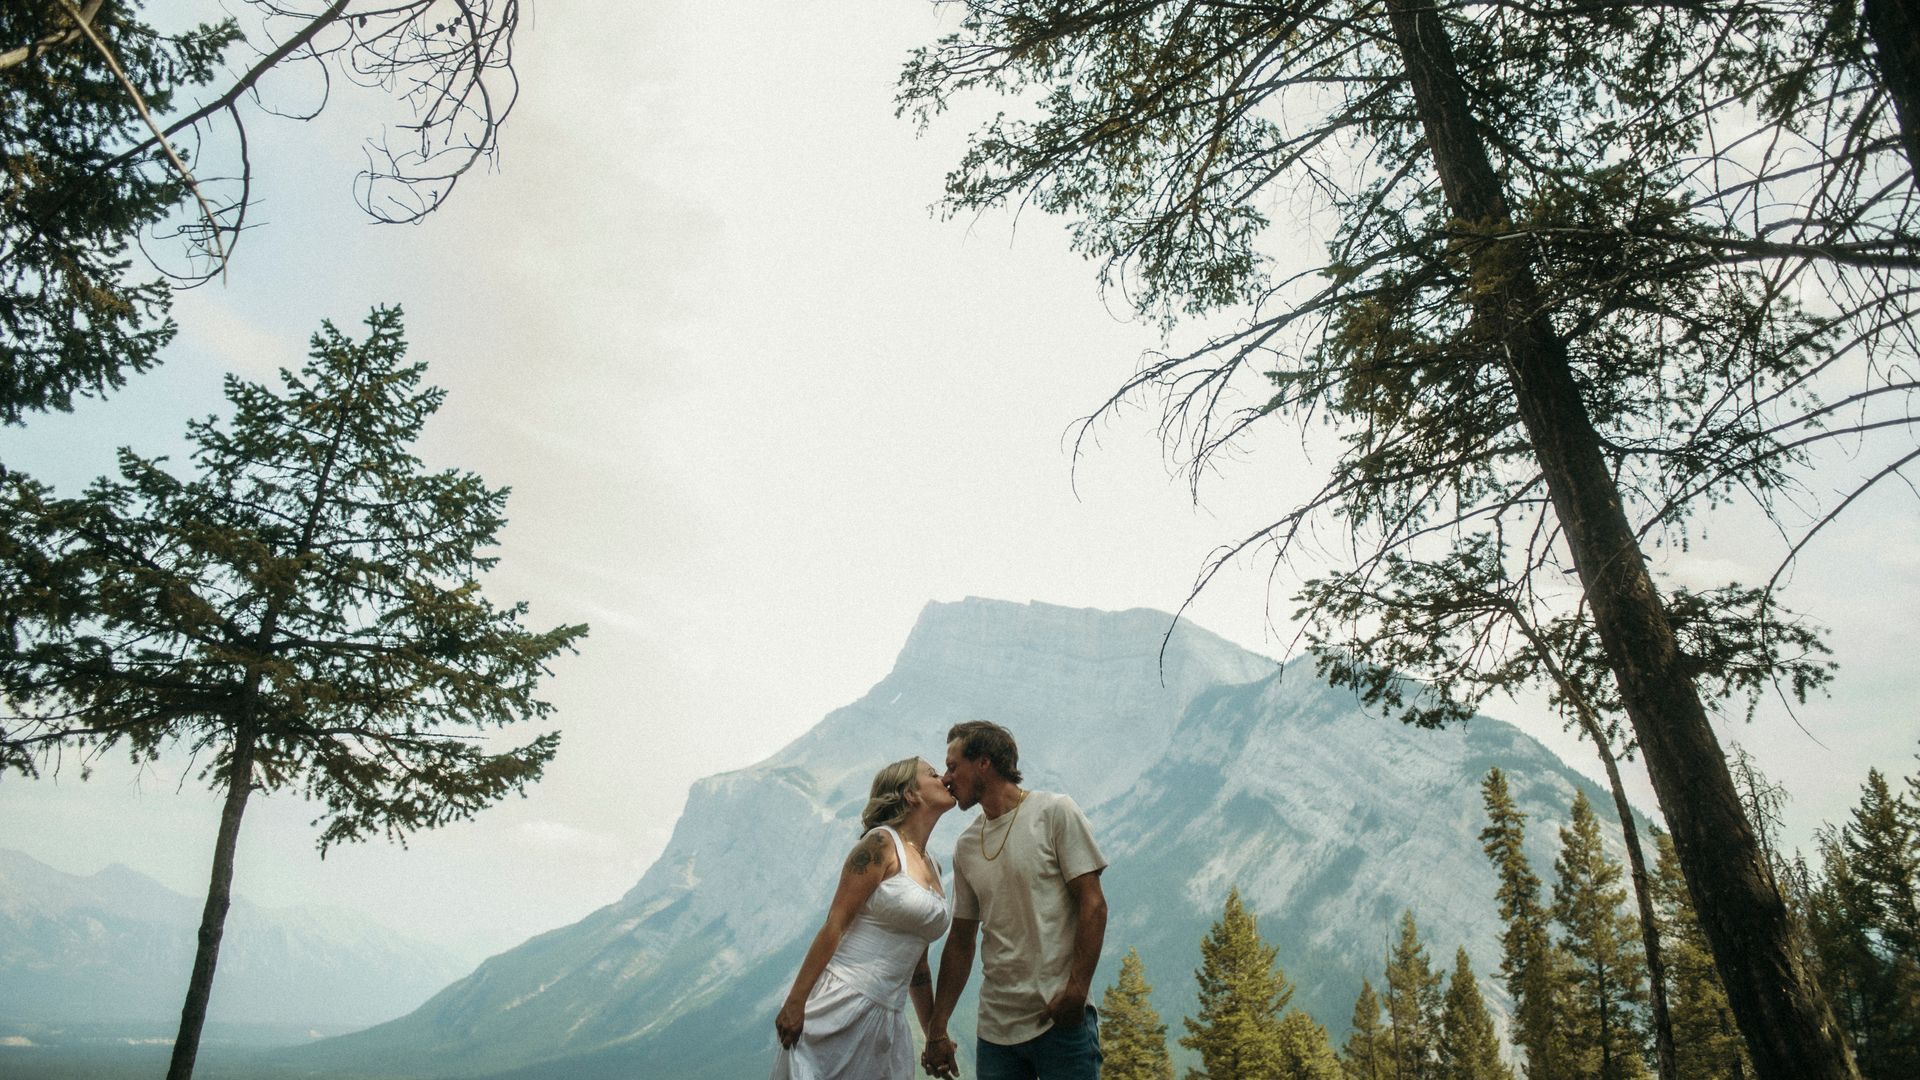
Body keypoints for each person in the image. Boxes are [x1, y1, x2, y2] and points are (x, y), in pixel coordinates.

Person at [922, 721, 1109, 1080]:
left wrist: (1077, 991)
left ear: (984, 763)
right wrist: (936, 1028)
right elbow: (961, 941)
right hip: (996, 1032)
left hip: (1060, 1020)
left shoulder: (1055, 812)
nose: (945, 779)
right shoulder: (966, 846)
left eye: (952, 766)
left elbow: (1094, 904)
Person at [772, 756, 956, 1080]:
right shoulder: (881, 844)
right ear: (910, 794)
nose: (944, 778)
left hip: (889, 1020)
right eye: (933, 774)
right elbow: (835, 924)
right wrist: (795, 1000)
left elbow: (919, 967)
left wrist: (933, 1036)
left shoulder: (934, 867)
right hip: (842, 1001)